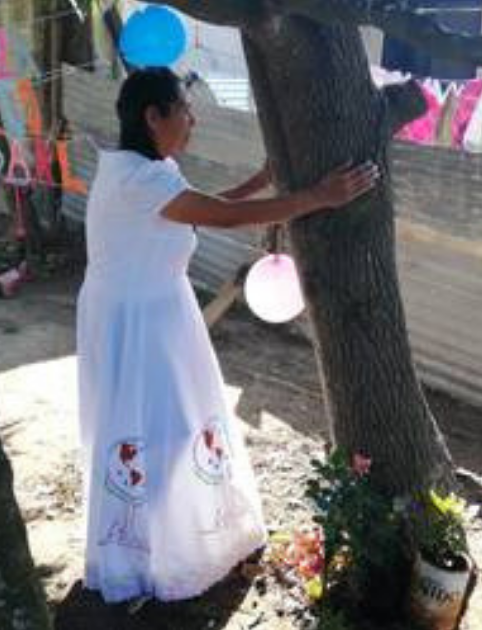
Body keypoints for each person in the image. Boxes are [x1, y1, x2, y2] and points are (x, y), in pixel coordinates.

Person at [77, 68, 380, 603]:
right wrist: (319, 196)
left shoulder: (135, 168)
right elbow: (222, 216)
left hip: (140, 310)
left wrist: (262, 182)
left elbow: (193, 209)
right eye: (184, 109)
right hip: (140, 319)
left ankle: (161, 535)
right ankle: (160, 547)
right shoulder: (143, 180)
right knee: (159, 429)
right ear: (153, 116)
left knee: (161, 423)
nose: (192, 120)